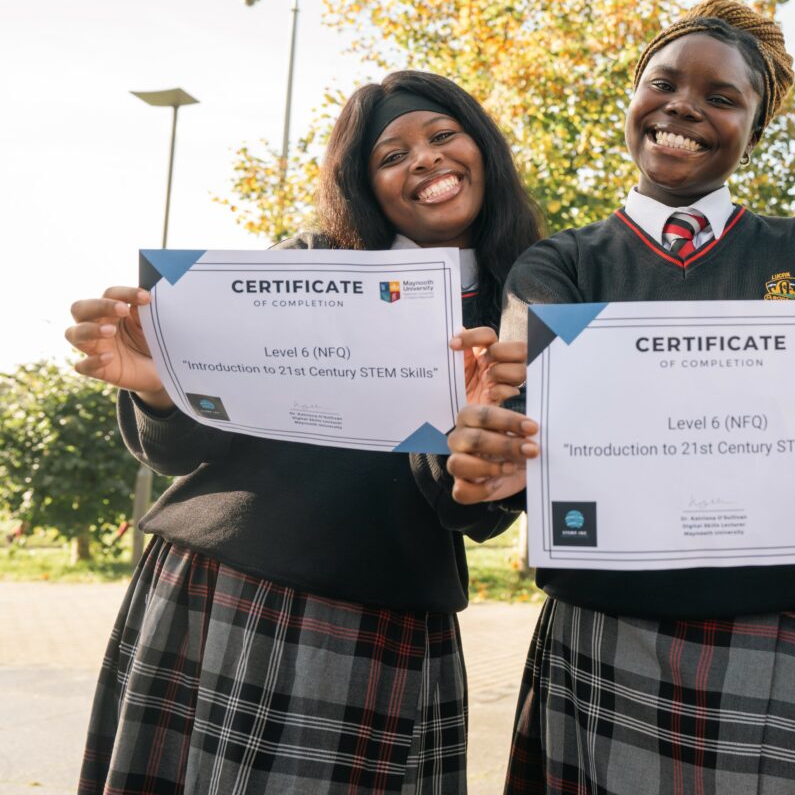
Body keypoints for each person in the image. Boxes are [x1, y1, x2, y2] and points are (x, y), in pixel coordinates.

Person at [444, 0, 795, 794]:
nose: (685, 105)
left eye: (722, 97)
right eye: (663, 83)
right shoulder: (559, 265)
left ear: (754, 130)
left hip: (788, 646)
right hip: (604, 639)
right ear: (634, 100)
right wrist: (488, 445)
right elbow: (512, 416)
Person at [64, 70, 543, 794]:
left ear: (483, 152)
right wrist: (159, 385)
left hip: (384, 621)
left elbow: (472, 513)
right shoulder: (310, 262)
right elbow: (181, 450)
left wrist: (463, 442)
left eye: (443, 136)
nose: (424, 159)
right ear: (365, 186)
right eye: (391, 155)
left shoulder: (524, 307)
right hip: (221, 590)